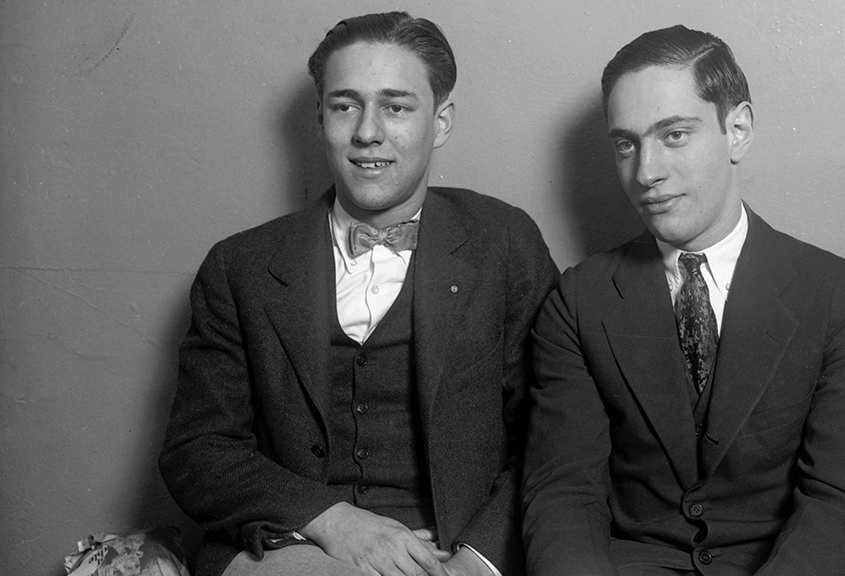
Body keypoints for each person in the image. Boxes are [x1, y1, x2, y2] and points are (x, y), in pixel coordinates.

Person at [160, 12, 557, 576]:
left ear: (441, 122)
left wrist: (478, 560)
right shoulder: (239, 266)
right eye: (346, 105)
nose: (368, 131)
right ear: (320, 117)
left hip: (456, 550)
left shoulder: (505, 242)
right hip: (289, 548)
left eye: (396, 107)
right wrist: (334, 522)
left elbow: (552, 437)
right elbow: (196, 452)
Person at [521, 24, 845, 576]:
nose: (647, 172)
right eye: (626, 143)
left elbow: (842, 506)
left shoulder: (837, 298)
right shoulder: (578, 302)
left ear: (737, 129)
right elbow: (564, 496)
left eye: (674, 135)